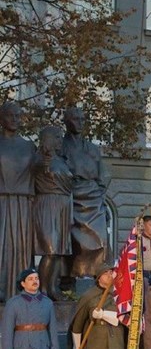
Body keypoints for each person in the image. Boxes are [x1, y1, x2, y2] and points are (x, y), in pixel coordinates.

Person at [62, 106, 110, 277]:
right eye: (76, 119)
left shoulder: (92, 148)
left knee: (100, 238)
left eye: (83, 119)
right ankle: (71, 277)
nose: (80, 123)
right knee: (73, 243)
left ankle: (96, 275)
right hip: (71, 197)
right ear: (66, 122)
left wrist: (99, 191)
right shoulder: (61, 146)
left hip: (93, 197)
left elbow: (103, 174)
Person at [1, 268, 59, 349]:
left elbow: (52, 330)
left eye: (36, 278)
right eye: (30, 279)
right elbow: (6, 333)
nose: (35, 281)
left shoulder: (47, 303)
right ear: (23, 283)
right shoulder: (13, 303)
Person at [32, 126, 74, 301]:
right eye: (56, 137)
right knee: (50, 249)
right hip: (47, 204)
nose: (59, 141)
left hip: (63, 205)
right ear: (48, 139)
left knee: (58, 251)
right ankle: (41, 288)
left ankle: (52, 288)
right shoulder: (39, 160)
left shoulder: (62, 160)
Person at [70, 263, 124, 349]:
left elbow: (122, 318)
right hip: (96, 345)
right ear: (99, 277)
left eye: (111, 273)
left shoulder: (120, 295)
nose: (110, 275)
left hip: (116, 343)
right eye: (106, 273)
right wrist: (77, 347)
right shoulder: (89, 296)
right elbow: (78, 324)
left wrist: (103, 314)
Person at [0, 101, 35, 303]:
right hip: (2, 201)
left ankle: (20, 287)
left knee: (20, 247)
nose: (14, 119)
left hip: (23, 205)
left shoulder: (29, 146)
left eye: (17, 116)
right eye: (9, 115)